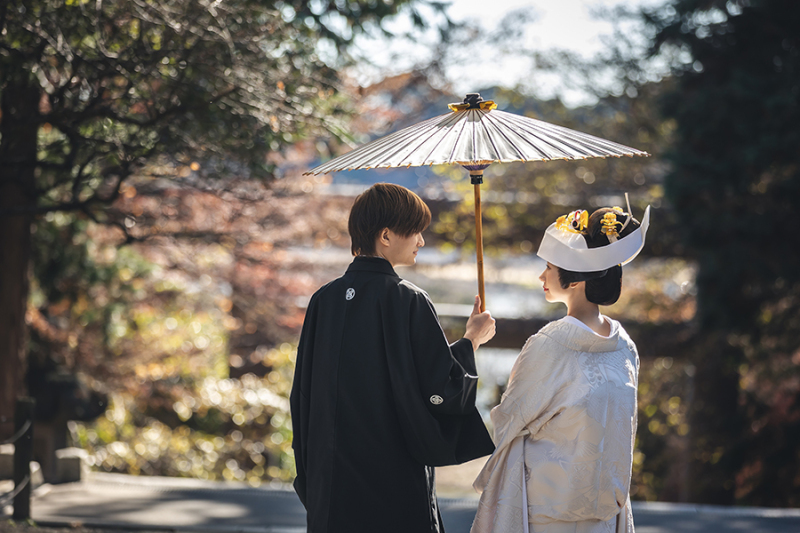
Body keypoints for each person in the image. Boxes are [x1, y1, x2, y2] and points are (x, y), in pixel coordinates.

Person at [290, 182, 497, 533]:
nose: (422, 241)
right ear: (386, 235)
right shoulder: (407, 299)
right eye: (415, 231)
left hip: (331, 480)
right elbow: (439, 387)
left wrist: (313, 474)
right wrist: (471, 340)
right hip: (390, 475)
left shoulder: (323, 300)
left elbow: (302, 396)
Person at [471, 202, 651, 533]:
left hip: (548, 513)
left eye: (549, 267)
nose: (542, 276)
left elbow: (509, 419)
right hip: (604, 513)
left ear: (575, 280)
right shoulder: (625, 346)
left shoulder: (550, 344)